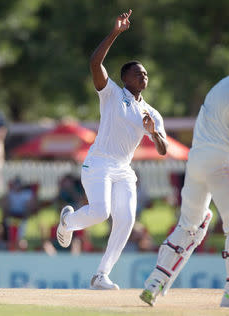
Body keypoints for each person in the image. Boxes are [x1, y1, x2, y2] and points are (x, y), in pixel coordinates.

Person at [140, 45, 229, 308]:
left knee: (191, 225)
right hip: (218, 163)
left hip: (196, 164)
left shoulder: (222, 85)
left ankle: (153, 284)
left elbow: (226, 138)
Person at [56, 9, 168, 290]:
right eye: (138, 73)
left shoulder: (151, 113)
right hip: (98, 163)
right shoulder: (112, 94)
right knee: (101, 212)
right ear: (125, 78)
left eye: (146, 73)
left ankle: (100, 275)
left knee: (127, 219)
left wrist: (153, 133)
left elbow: (163, 149)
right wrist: (115, 32)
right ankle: (68, 221)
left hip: (123, 168)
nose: (144, 76)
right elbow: (95, 63)